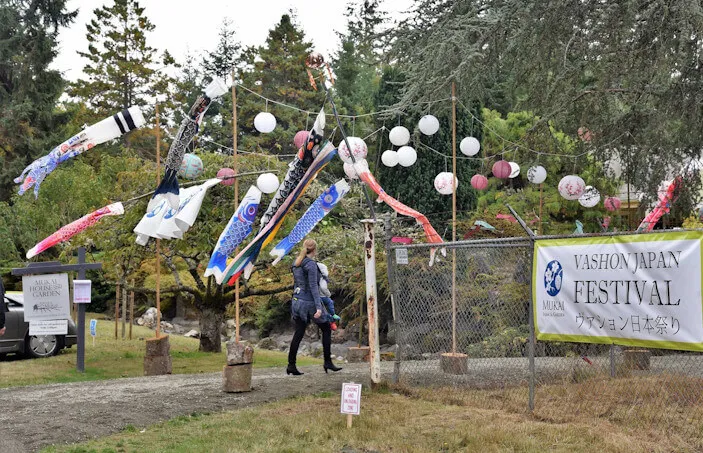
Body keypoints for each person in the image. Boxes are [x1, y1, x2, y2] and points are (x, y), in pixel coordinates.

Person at [287, 239, 342, 376]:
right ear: (315, 250)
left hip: (297, 301)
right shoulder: (311, 265)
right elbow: (313, 287)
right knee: (326, 328)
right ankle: (327, 361)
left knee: (299, 332)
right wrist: (319, 307)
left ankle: (291, 365)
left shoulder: (297, 262)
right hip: (309, 302)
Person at [317, 262, 341, 330]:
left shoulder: (315, 276)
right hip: (321, 296)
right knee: (328, 304)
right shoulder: (322, 278)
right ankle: (332, 320)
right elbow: (323, 287)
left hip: (315, 296)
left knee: (325, 308)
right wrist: (328, 294)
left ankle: (332, 319)